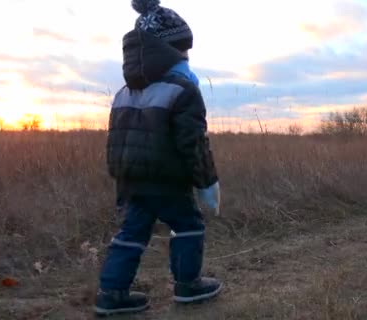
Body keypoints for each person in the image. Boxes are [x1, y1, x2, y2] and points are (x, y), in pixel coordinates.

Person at [93, 0, 222, 316]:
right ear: (163, 51)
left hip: (134, 182)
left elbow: (117, 143)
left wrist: (122, 181)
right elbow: (194, 144)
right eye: (181, 48)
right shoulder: (183, 89)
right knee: (189, 224)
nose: (186, 56)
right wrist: (207, 183)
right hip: (169, 181)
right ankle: (188, 284)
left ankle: (111, 293)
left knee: (132, 232)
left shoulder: (124, 92)